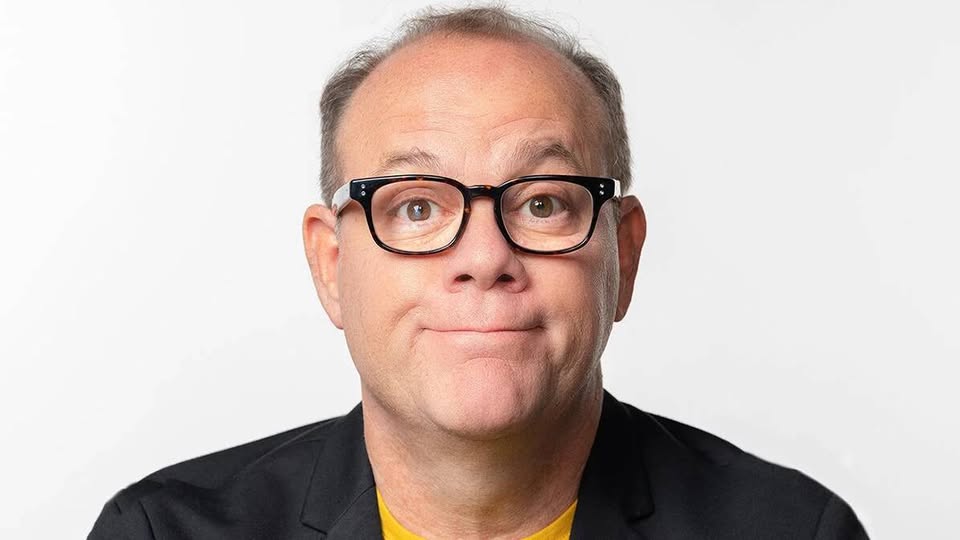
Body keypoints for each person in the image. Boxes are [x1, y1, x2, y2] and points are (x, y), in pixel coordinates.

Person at [89, 6, 868, 539]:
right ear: (331, 264)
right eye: (416, 207)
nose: (486, 258)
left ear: (623, 255)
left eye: (543, 203)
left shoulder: (794, 530)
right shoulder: (163, 533)